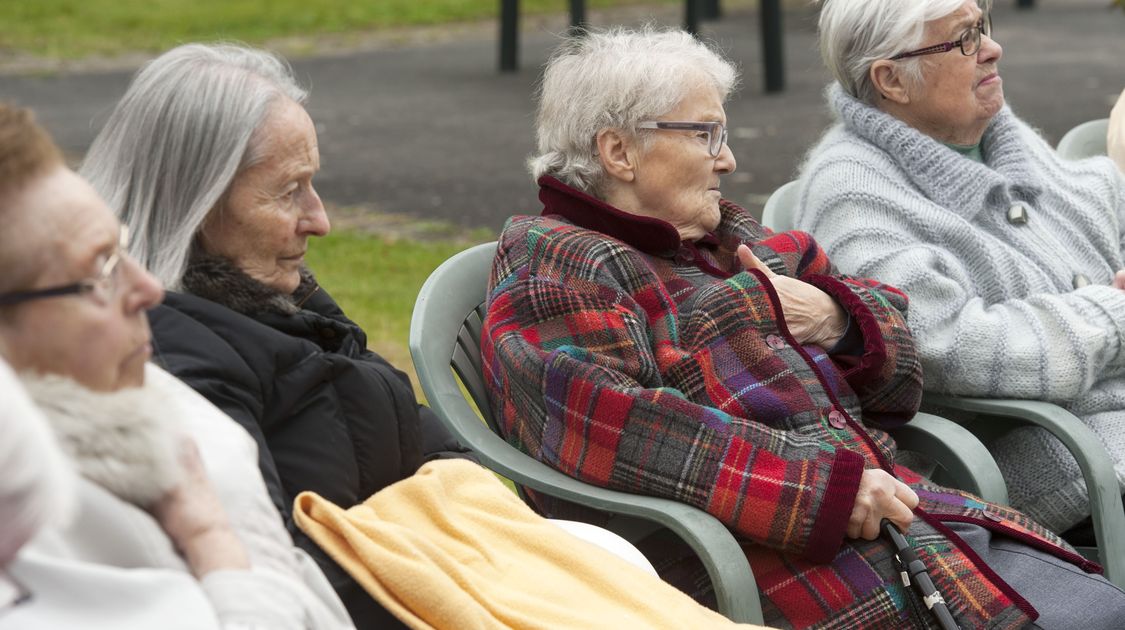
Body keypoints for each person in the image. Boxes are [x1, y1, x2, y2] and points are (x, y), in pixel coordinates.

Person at [481, 26, 1125, 628]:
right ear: (618, 151)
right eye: (705, 134)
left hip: (899, 523)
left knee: (1100, 606)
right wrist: (824, 492)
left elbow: (901, 366)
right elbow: (616, 426)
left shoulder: (726, 237)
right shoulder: (557, 263)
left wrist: (841, 321)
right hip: (748, 556)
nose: (728, 159)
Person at [79, 43, 473, 627]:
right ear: (199, 201)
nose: (320, 220)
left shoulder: (281, 302)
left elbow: (445, 454)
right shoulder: (173, 361)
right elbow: (274, 569)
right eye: (290, 190)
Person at [0, 102, 353, 629]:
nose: (145, 288)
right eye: (100, 270)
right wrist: (215, 543)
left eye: (121, 247)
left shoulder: (142, 392)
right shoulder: (39, 518)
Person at [795, 0, 1125, 539]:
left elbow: (1097, 202)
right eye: (964, 39)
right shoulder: (854, 197)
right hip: (1040, 459)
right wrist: (1109, 318)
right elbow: (947, 347)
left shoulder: (992, 134)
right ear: (892, 80)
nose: (992, 49)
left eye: (983, 26)